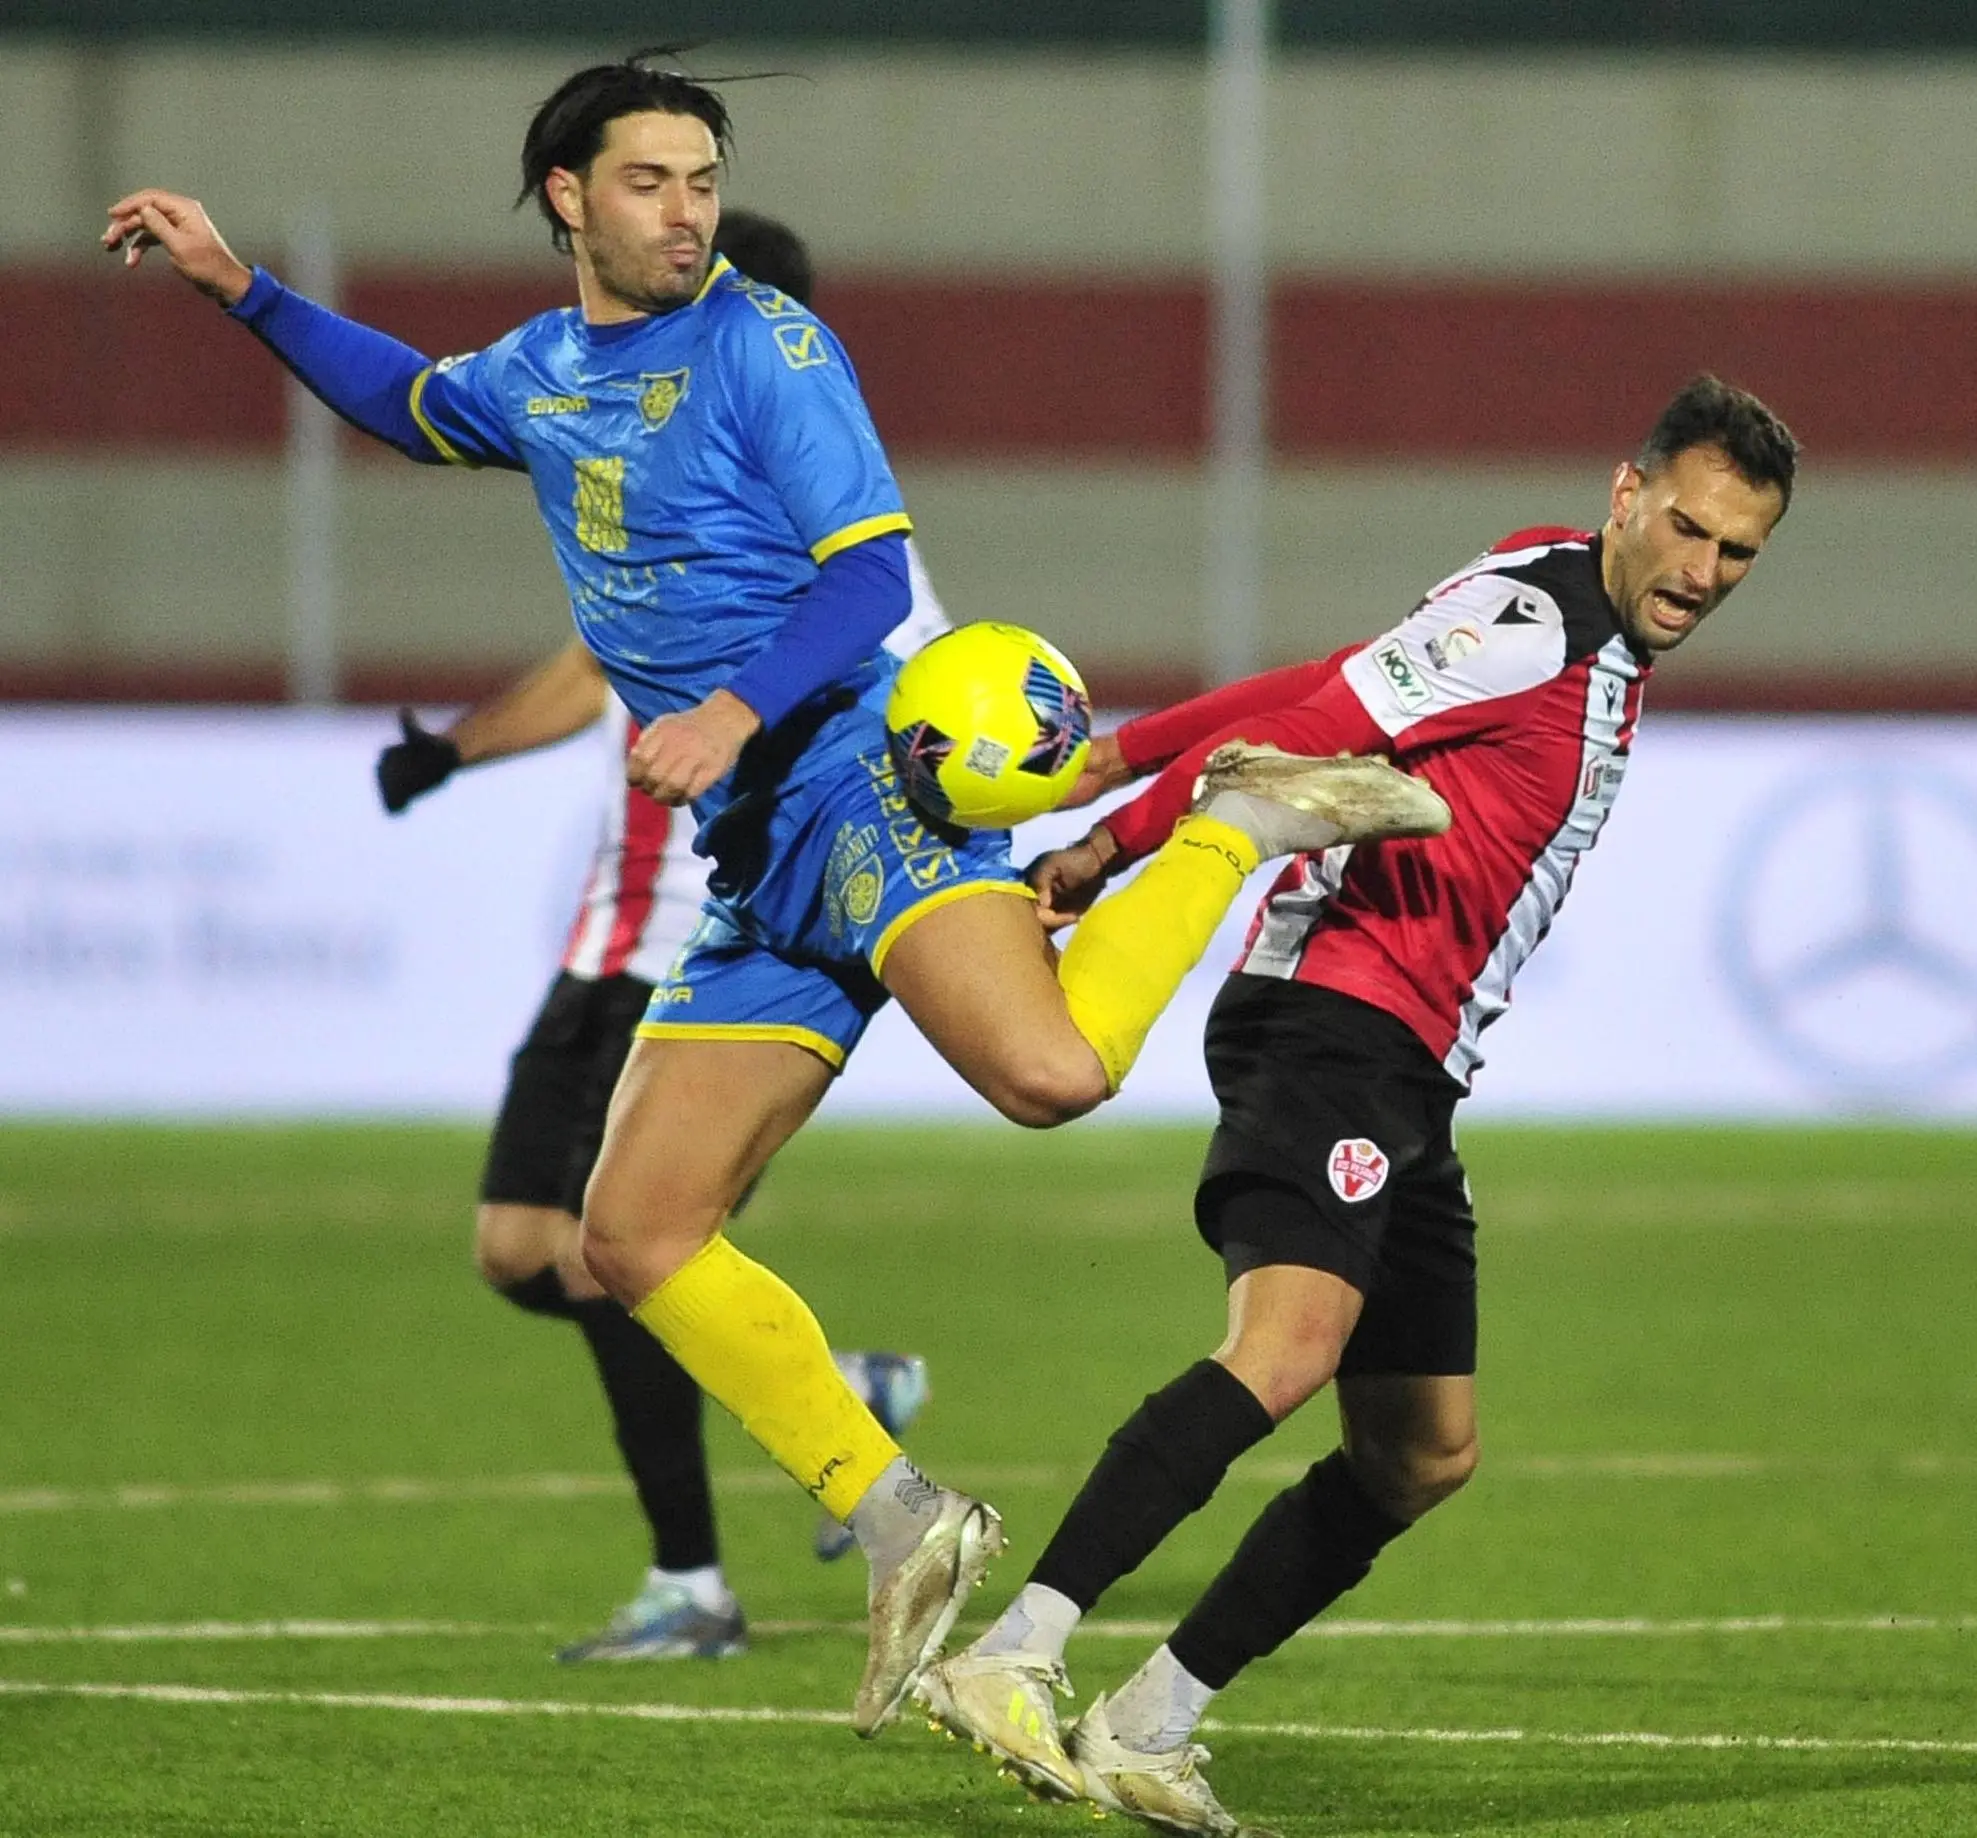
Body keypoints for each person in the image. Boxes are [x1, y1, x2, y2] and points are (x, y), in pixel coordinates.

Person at [103, 50, 1444, 1733]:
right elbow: (410, 400)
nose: (688, 210)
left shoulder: (768, 343)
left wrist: (730, 710)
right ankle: (904, 1521)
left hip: (850, 786)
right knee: (632, 1232)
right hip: (756, 857)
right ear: (568, 200)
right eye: (654, 181)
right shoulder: (546, 370)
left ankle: (1231, 825)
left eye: (705, 180)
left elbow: (870, 572)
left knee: (1051, 1074)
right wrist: (244, 288)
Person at [921, 375, 1800, 1835]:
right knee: (1287, 1346)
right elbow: (1317, 725)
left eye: (1740, 554)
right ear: (1628, 492)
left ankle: (1152, 1719)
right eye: (1691, 531)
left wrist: (1128, 770)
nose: (1704, 575)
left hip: (1412, 1070)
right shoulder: (1545, 614)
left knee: (1422, 1449)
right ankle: (1016, 1654)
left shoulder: (1555, 604)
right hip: (1332, 1018)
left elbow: (1321, 676)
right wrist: (1122, 836)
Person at [374, 211, 947, 1660]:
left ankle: (694, 1579)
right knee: (520, 1247)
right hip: (602, 941)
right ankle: (842, 1394)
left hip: (704, 956)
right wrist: (454, 752)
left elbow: (931, 725)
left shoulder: (843, 543)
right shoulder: (660, 473)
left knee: (615, 1248)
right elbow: (585, 670)